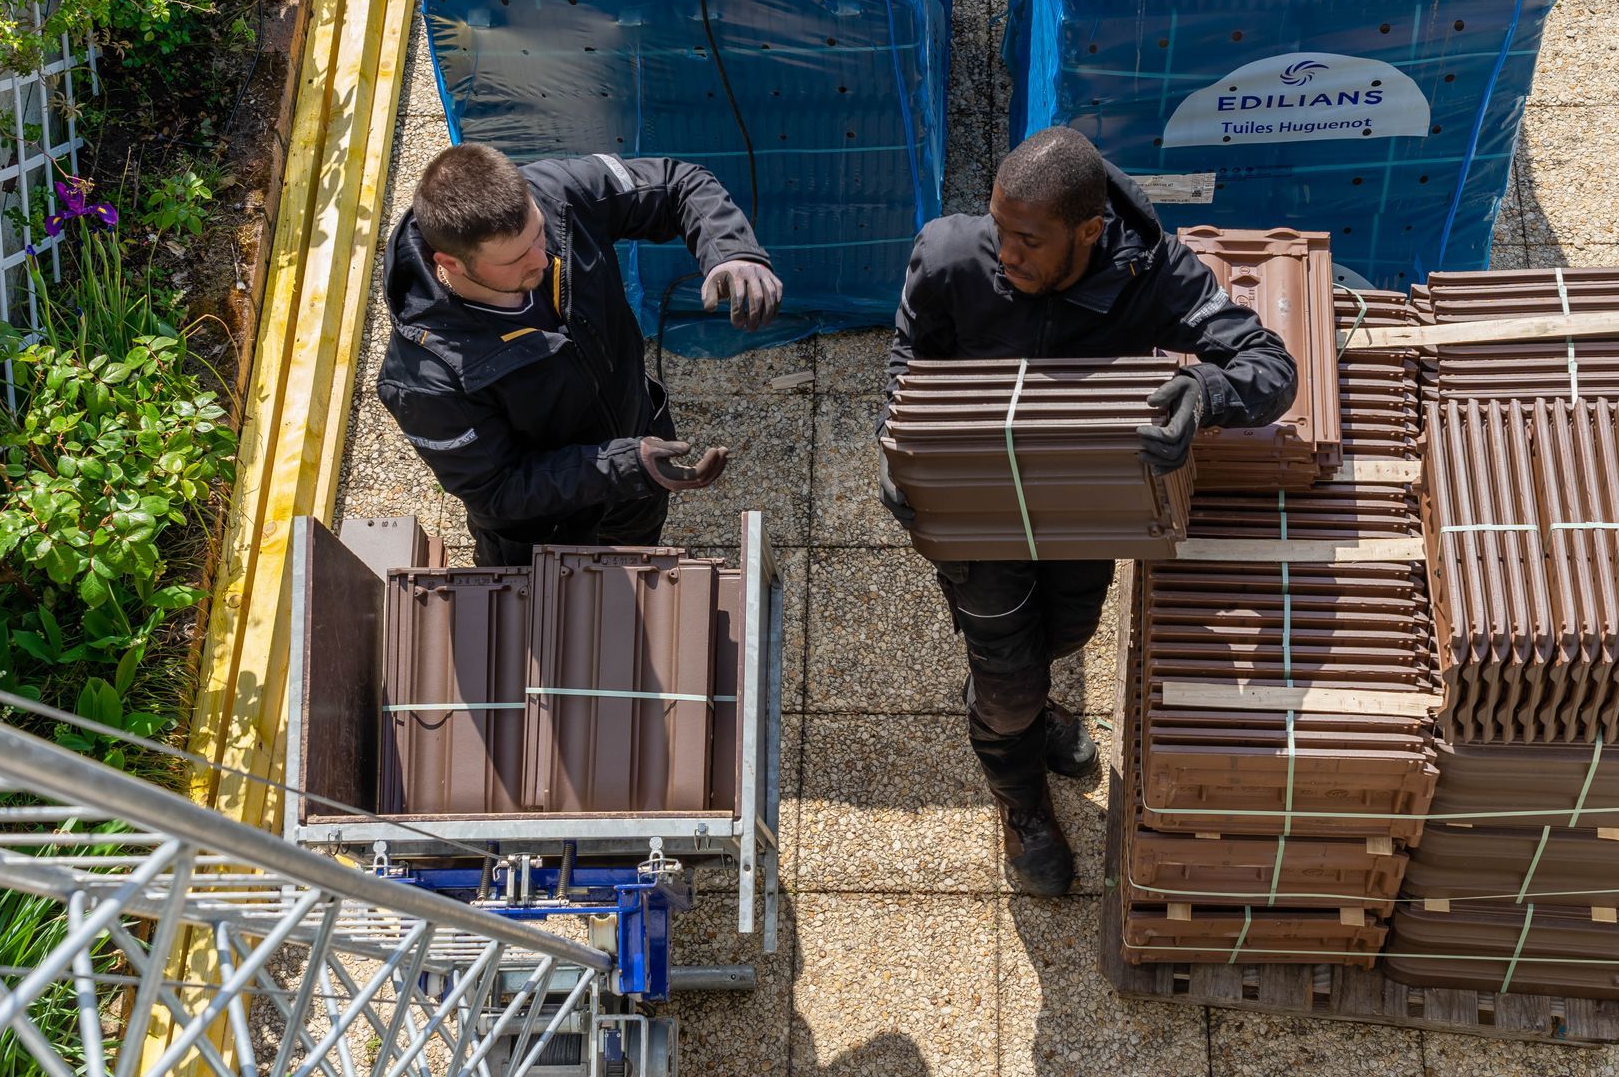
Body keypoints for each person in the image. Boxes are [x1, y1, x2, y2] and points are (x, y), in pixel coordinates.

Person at [881, 126, 1298, 896]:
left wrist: (1205, 395)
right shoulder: (948, 257)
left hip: (1081, 510)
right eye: (1000, 231)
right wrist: (900, 451)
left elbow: (1271, 369)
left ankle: (1034, 712)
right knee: (1006, 680)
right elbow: (908, 360)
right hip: (978, 514)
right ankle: (1021, 802)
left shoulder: (1153, 275)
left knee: (1068, 632)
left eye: (1029, 241)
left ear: (1089, 232)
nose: (1006, 254)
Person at [377, 143, 783, 565]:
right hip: (542, 527)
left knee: (638, 557)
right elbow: (498, 489)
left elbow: (678, 183)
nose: (543, 257)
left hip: (636, 457)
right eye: (516, 258)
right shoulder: (423, 378)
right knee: (550, 617)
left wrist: (731, 251)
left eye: (537, 233)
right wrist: (625, 464)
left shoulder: (556, 195)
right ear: (452, 264)